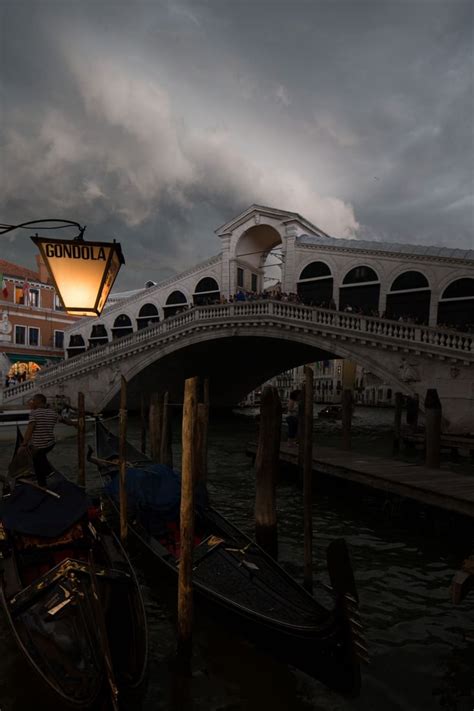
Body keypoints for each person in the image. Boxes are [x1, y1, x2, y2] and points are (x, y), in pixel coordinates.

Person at [19, 393, 77, 487]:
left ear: (38, 402)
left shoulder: (34, 413)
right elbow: (65, 421)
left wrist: (24, 444)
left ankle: (46, 475)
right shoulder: (52, 412)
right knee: (38, 458)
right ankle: (43, 479)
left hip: (39, 446)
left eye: (33, 401)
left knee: (37, 462)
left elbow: (30, 429)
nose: (31, 403)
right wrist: (75, 424)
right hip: (50, 444)